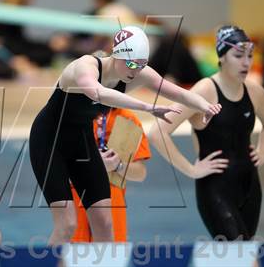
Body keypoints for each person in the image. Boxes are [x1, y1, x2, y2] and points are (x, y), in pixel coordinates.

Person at [29, 25, 221, 245]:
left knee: (105, 223)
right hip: (49, 140)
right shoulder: (85, 66)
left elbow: (175, 91)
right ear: (116, 54)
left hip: (81, 141)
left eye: (141, 65)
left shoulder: (135, 71)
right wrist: (147, 107)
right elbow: (99, 93)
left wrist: (205, 105)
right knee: (67, 225)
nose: (136, 71)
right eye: (131, 63)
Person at [149, 25, 264, 240]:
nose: (246, 62)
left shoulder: (254, 92)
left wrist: (262, 151)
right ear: (222, 57)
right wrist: (190, 169)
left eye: (250, 56)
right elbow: (157, 132)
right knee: (241, 256)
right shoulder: (204, 91)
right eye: (238, 56)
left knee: (239, 256)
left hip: (250, 187)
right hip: (215, 189)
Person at [71, 108, 150, 242]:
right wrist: (93, 165)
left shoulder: (127, 119)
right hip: (77, 198)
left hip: (113, 200)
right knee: (74, 256)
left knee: (110, 256)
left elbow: (140, 173)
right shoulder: (73, 115)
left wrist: (117, 165)